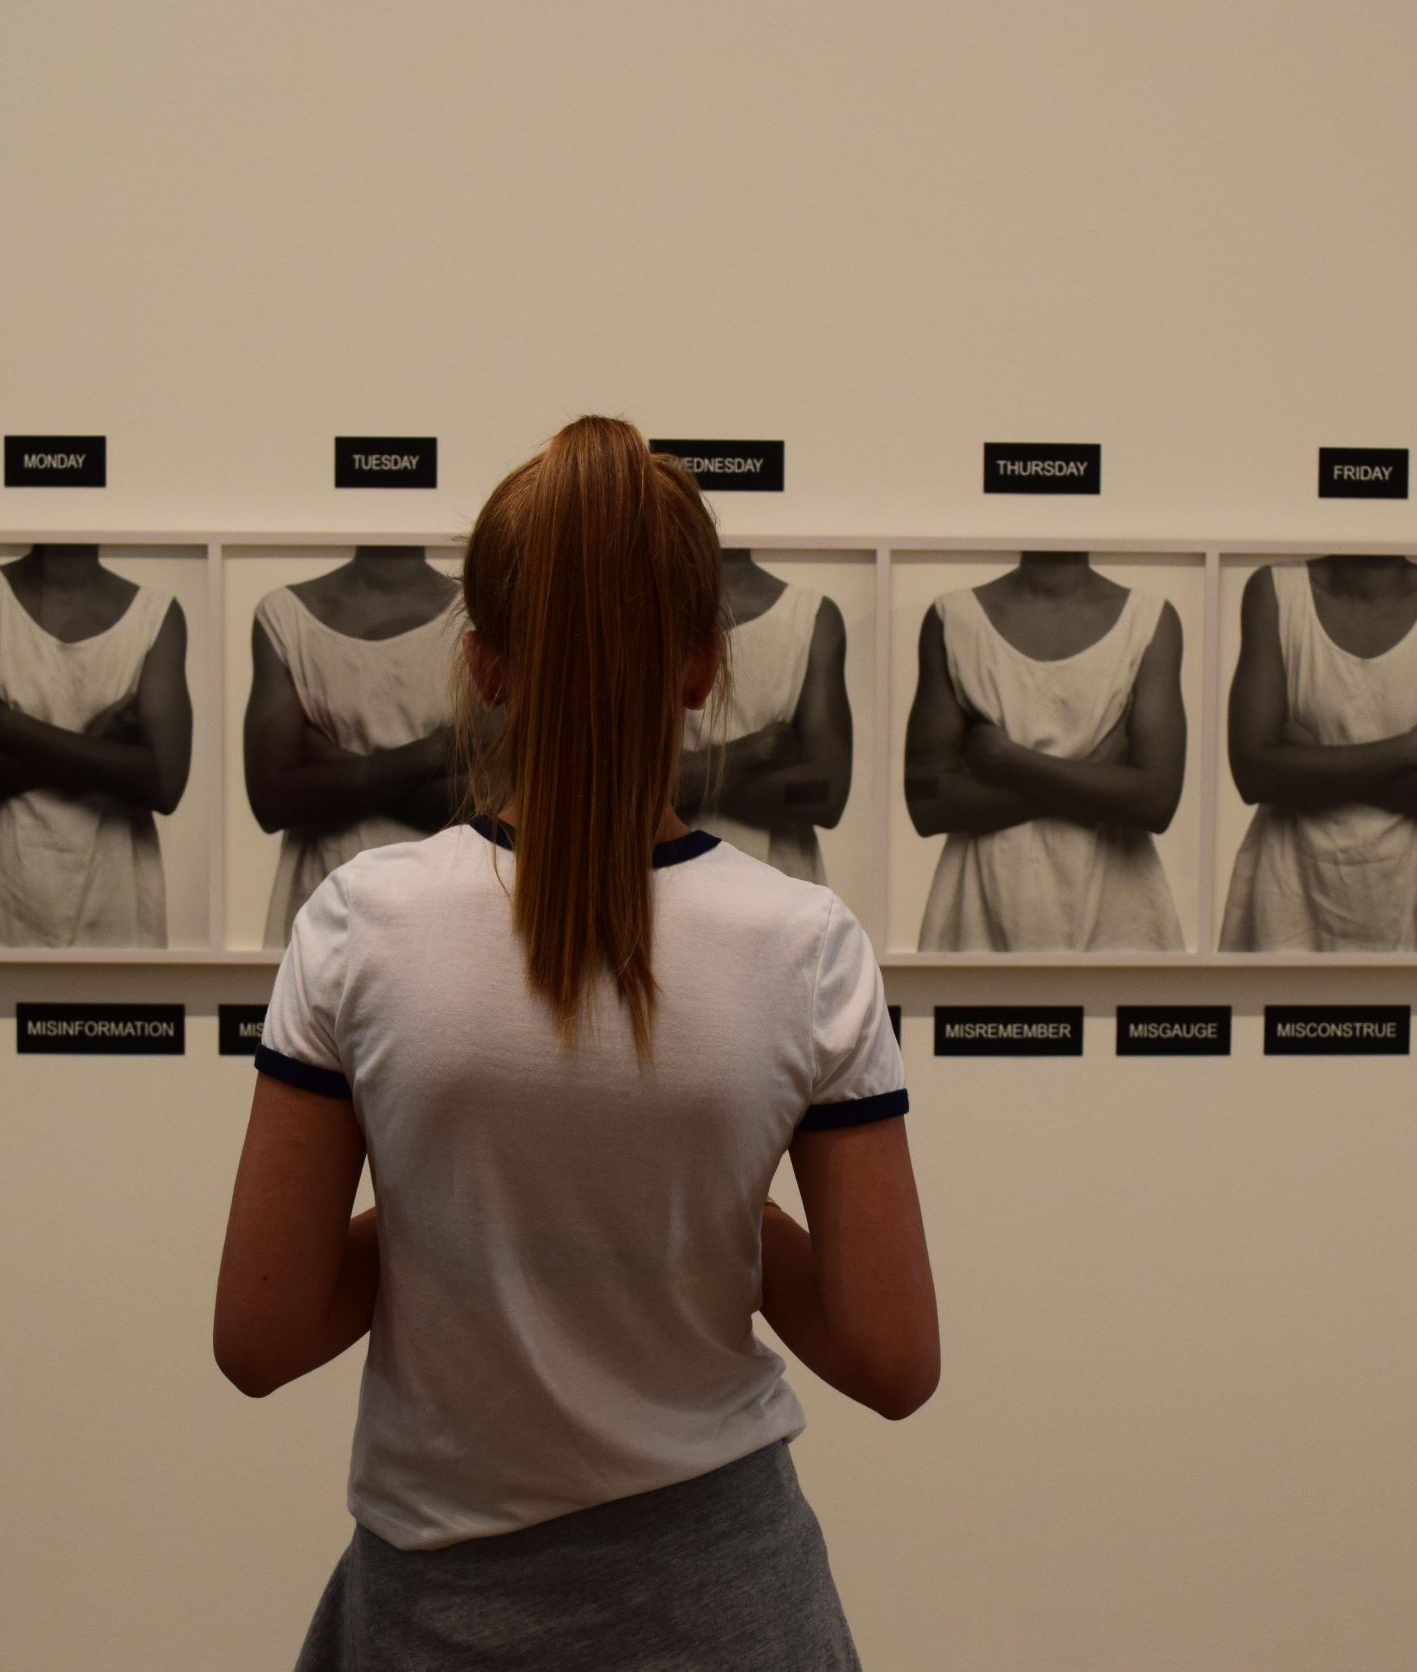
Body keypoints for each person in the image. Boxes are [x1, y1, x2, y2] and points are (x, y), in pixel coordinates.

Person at [214, 416, 938, 1671]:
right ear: (705, 664)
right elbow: (891, 1357)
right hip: (728, 1614)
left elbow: (261, 1336)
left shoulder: (359, 924)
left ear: (484, 663)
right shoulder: (804, 945)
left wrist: (458, 1201)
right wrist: (697, 1206)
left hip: (440, 1616)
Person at [0, 543, 190, 948]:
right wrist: (96, 750)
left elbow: (164, 783)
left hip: (115, 906)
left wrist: (12, 729)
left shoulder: (156, 614)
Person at [903, 551, 1187, 951]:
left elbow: (1154, 802)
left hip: (1120, 911)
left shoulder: (1150, 617)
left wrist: (1009, 760)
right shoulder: (954, 618)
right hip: (981, 908)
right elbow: (929, 807)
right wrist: (1095, 777)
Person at [1218, 555, 1417, 952]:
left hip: (1411, 892)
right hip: (1290, 890)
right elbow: (1253, 776)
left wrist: (1310, 767)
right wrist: (1406, 750)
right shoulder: (1275, 588)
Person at [245, 546, 462, 948]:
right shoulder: (284, 613)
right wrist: (431, 753)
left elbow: (483, 802)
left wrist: (328, 759)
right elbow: (271, 800)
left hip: (443, 912)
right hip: (323, 909)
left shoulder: (477, 615)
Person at [678, 548, 852, 884]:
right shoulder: (640, 611)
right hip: (678, 876)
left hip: (781, 878)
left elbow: (826, 797)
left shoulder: (811, 614)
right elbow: (634, 785)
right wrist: (751, 753)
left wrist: (689, 776)